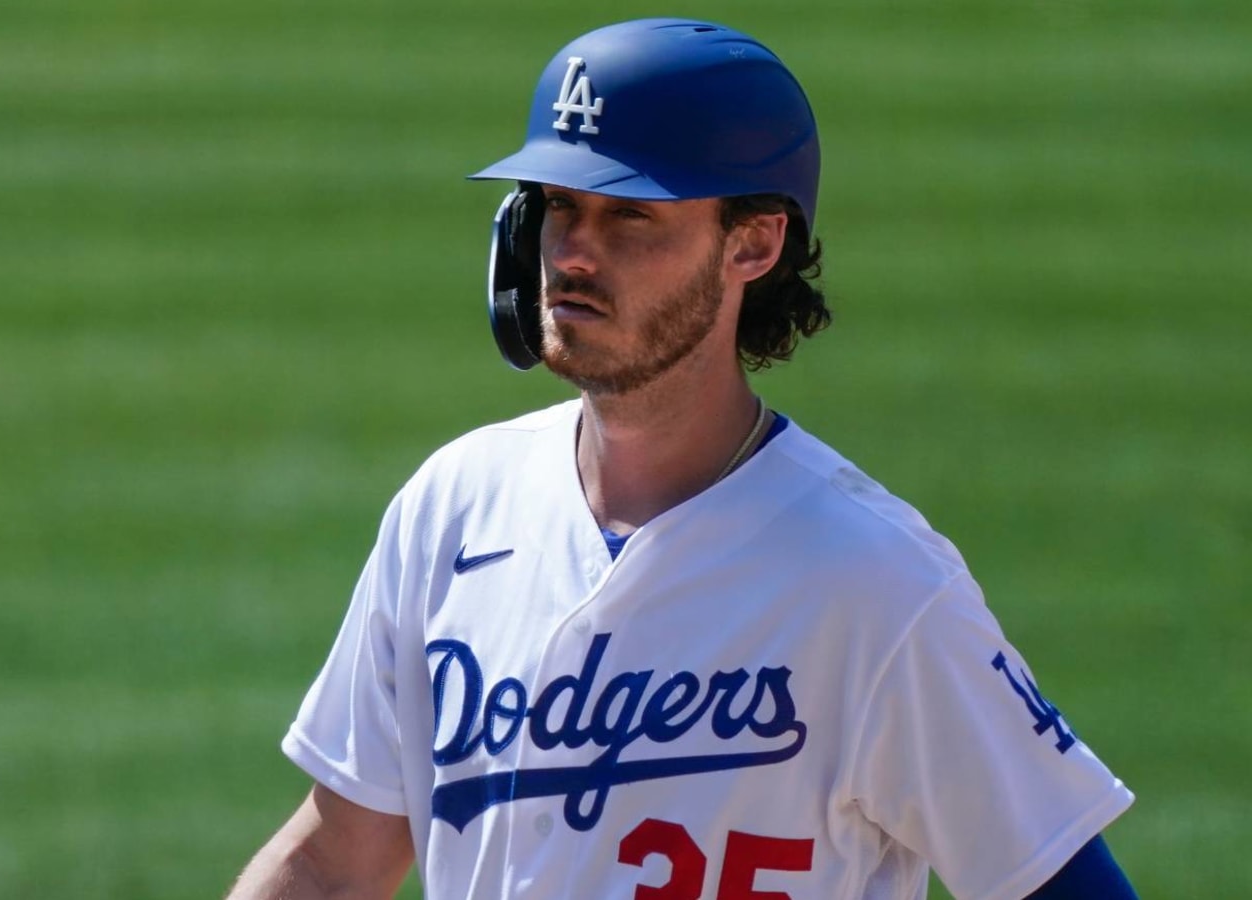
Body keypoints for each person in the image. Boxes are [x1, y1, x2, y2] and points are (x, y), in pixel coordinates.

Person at [228, 18, 1138, 900]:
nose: (574, 254)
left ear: (752, 243)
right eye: (559, 208)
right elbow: (335, 866)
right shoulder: (455, 507)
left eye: (629, 217)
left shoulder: (877, 585)